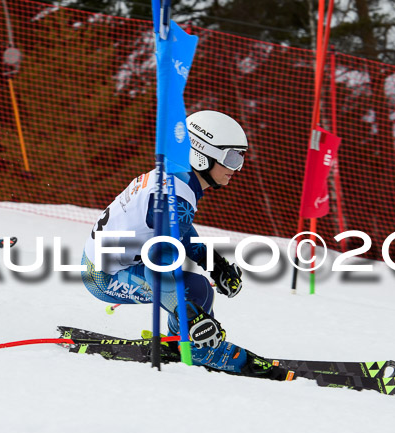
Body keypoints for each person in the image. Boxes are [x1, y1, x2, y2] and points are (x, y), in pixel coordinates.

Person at [81, 110, 279, 378]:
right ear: (201, 153)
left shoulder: (175, 182)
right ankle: (193, 348)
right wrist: (191, 315)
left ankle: (178, 343)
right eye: (232, 157)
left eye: (241, 158)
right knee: (195, 291)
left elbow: (179, 231)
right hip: (103, 277)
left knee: (197, 290)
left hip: (106, 263)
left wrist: (214, 264)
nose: (237, 168)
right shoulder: (175, 197)